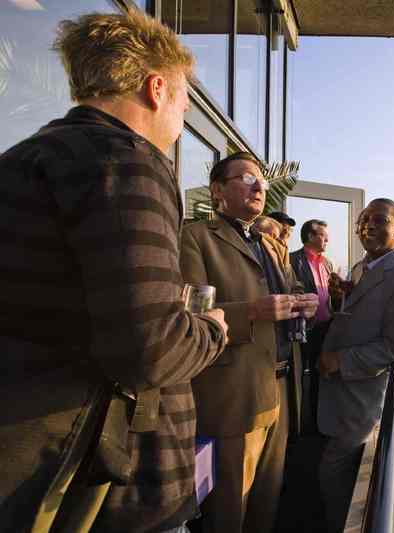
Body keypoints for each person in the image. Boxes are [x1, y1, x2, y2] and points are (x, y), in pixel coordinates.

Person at [0, 10, 229, 533]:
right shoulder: (125, 162)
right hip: (110, 482)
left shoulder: (22, 159)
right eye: (185, 99)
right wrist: (211, 329)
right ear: (156, 88)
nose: (184, 115)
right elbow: (150, 350)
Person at [180, 152, 318, 533]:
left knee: (266, 505)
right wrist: (252, 312)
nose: (259, 186)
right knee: (229, 510)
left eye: (263, 181)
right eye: (245, 178)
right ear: (217, 190)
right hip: (233, 395)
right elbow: (190, 315)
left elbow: (291, 290)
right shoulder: (196, 238)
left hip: (281, 390)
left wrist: (303, 301)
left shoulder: (271, 245)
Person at [318, 198, 394, 532]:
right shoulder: (360, 267)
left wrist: (339, 360)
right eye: (363, 220)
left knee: (333, 476)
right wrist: (341, 296)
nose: (367, 226)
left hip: (363, 401)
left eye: (380, 220)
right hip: (337, 397)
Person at [289, 219, 335, 433]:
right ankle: (298, 425)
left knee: (320, 375)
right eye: (323, 236)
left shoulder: (327, 263)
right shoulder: (292, 260)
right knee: (298, 377)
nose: (327, 240)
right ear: (310, 236)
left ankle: (317, 421)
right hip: (302, 329)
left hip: (325, 328)